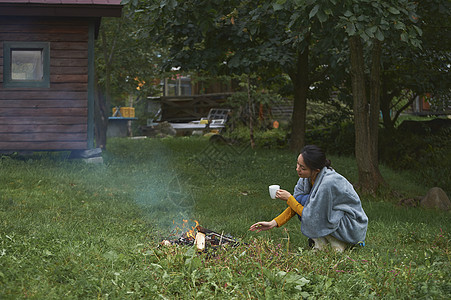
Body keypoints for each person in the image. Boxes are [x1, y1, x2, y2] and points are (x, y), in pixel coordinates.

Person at [249, 145, 368, 252]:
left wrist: (289, 198)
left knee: (305, 201)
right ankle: (321, 242)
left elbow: (312, 215)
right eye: (297, 164)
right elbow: (297, 205)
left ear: (316, 170)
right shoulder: (306, 178)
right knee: (303, 199)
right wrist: (273, 223)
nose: (298, 169)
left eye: (303, 167)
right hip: (331, 216)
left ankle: (338, 243)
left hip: (350, 224)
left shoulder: (328, 182)